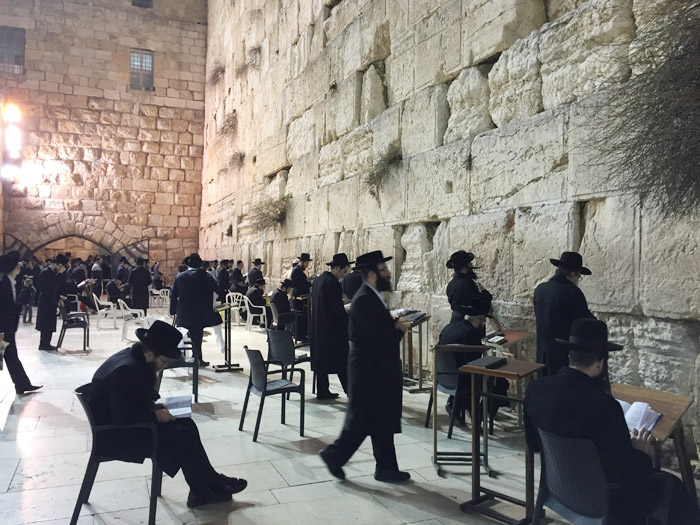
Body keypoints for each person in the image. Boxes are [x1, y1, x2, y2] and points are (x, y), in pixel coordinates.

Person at [524, 318, 700, 524]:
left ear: (570, 355)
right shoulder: (604, 405)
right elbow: (628, 474)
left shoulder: (536, 389)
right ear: (600, 364)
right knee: (672, 485)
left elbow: (534, 443)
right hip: (602, 501)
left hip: (558, 489)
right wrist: (641, 451)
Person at [88, 320, 248, 507]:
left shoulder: (134, 358)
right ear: (150, 354)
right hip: (115, 436)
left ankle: (201, 490)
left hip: (120, 425)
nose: (163, 366)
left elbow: (129, 401)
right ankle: (209, 484)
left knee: (187, 425)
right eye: (163, 361)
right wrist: (154, 416)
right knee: (182, 436)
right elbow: (122, 418)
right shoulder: (126, 369)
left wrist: (154, 408)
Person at [320, 250, 411, 482]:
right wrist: (397, 329)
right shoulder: (364, 299)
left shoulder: (371, 296)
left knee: (380, 421)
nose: (388, 273)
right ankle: (334, 455)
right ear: (372, 274)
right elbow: (379, 338)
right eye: (383, 269)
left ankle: (386, 467)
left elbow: (377, 329)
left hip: (375, 371)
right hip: (369, 373)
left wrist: (392, 324)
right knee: (360, 423)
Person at [437, 293, 509, 425]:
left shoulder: (449, 327)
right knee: (501, 382)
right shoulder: (471, 332)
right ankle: (479, 414)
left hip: (443, 377)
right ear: (477, 321)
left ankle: (457, 405)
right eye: (482, 322)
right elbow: (475, 363)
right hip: (462, 379)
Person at [534, 251, 596, 376]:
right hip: (563, 355)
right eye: (579, 276)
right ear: (572, 274)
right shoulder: (572, 292)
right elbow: (584, 323)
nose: (578, 280)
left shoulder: (540, 289)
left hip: (542, 353)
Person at [310, 253, 353, 400]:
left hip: (318, 327)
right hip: (331, 329)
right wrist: (347, 323)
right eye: (344, 271)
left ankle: (322, 390)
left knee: (322, 362)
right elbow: (336, 309)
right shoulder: (332, 283)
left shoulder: (318, 280)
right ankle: (351, 392)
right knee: (342, 360)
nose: (344, 275)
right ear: (339, 268)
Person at [0, 252, 42, 395]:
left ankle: (22, 384)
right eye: (17, 264)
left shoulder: (12, 282)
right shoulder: (3, 283)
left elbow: (15, 305)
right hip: (3, 330)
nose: (20, 266)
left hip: (8, 328)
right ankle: (22, 384)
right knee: (9, 356)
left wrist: (25, 289)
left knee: (11, 356)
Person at [170, 253, 222, 367]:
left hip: (184, 312)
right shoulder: (207, 276)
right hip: (200, 313)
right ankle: (197, 359)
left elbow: (173, 295)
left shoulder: (180, 277)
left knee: (180, 335)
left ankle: (179, 358)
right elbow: (218, 290)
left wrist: (172, 311)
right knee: (197, 336)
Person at [35, 253, 68, 351]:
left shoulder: (53, 273)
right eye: (60, 266)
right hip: (45, 302)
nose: (60, 268)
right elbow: (48, 287)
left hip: (51, 301)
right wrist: (60, 275)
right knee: (45, 324)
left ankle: (47, 343)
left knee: (50, 324)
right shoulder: (45, 272)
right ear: (56, 264)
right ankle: (43, 344)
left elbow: (59, 286)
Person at [291, 253, 312, 340]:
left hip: (300, 297)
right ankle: (300, 336)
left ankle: (302, 335)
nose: (307, 265)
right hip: (299, 297)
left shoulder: (298, 270)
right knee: (300, 318)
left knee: (303, 317)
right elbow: (300, 285)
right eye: (306, 263)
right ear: (302, 262)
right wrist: (309, 283)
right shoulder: (297, 271)